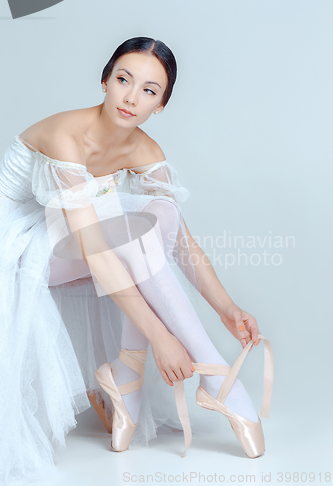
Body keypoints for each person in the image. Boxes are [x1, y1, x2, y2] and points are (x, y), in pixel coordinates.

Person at [0, 37, 273, 485]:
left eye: (149, 90)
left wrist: (229, 309)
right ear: (105, 80)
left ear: (161, 104)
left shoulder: (145, 150)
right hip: (20, 249)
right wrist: (160, 336)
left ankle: (131, 378)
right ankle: (216, 378)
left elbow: (182, 243)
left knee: (162, 214)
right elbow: (93, 248)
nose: (131, 97)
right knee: (129, 231)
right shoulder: (65, 137)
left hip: (76, 238)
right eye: (124, 80)